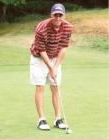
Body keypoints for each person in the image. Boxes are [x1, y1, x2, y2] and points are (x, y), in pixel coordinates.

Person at [30, 3, 73, 131]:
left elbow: (64, 48)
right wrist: (50, 67)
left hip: (55, 57)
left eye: (60, 15)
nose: (58, 18)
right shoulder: (41, 28)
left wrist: (55, 66)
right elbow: (41, 50)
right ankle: (41, 120)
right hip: (39, 57)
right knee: (40, 86)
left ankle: (58, 119)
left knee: (55, 86)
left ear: (64, 15)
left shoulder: (68, 27)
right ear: (51, 14)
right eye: (56, 15)